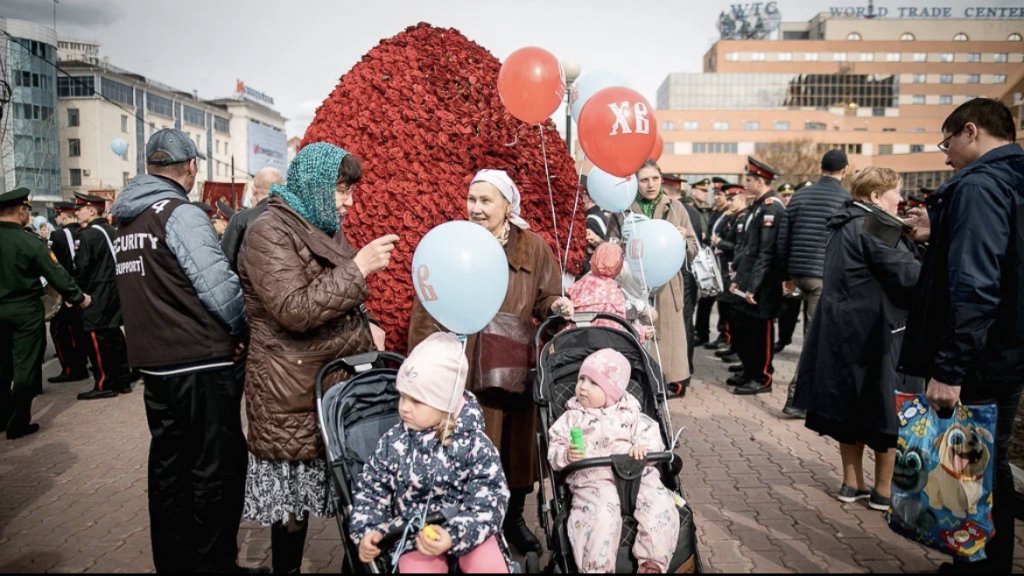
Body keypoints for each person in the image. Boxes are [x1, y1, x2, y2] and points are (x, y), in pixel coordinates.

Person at [239, 142, 396, 573]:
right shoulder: (268, 231)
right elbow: (294, 309)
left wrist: (369, 322)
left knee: (353, 496)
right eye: (343, 191)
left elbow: (337, 295)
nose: (350, 203)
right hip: (290, 390)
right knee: (292, 510)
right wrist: (359, 268)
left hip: (331, 384)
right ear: (315, 185)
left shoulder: (321, 224)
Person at [408, 168, 573, 555]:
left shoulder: (532, 246)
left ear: (507, 204)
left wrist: (557, 306)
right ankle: (472, 525)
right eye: (472, 200)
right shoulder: (452, 242)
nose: (477, 209)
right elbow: (427, 304)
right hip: (461, 365)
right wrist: (427, 360)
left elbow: (545, 296)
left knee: (515, 448)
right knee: (468, 446)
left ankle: (513, 518)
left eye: (486, 201)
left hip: (512, 363)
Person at [111, 128, 252, 573]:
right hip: (200, 361)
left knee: (169, 470)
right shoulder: (179, 212)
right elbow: (219, 287)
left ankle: (176, 562)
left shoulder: (127, 219)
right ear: (190, 168)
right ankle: (214, 563)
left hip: (155, 364)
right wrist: (241, 328)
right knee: (217, 469)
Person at [899, 98, 1024, 573]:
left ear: (970, 131)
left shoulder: (979, 186)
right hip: (1007, 349)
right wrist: (942, 230)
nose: (945, 154)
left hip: (977, 357)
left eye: (946, 141)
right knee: (988, 465)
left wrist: (949, 369)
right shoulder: (1012, 180)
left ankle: (979, 562)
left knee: (972, 467)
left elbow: (975, 285)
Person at [793, 167, 922, 512]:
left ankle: (852, 483)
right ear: (876, 196)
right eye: (896, 192)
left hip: (842, 330)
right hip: (876, 333)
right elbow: (910, 276)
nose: (901, 199)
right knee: (885, 412)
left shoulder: (843, 220)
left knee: (846, 409)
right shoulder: (875, 224)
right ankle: (883, 490)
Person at [352, 333, 510, 573]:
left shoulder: (474, 443)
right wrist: (369, 530)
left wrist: (454, 534)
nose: (404, 407)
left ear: (444, 403)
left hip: (466, 527)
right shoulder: (394, 442)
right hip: (414, 532)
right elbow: (372, 490)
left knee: (488, 564)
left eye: (417, 401)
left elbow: (490, 497)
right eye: (402, 396)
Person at [548, 348, 680, 573]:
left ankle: (652, 564)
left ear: (612, 391)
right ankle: (597, 568)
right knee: (598, 517)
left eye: (593, 383)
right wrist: (567, 454)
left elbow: (651, 434)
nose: (582, 387)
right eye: (582, 379)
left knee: (661, 506)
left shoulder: (631, 412)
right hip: (594, 480)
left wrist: (644, 448)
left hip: (635, 473)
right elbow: (554, 448)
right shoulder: (571, 417)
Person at [0, 188, 91, 439]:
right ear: (21, 211)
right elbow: (56, 273)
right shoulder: (29, 242)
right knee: (26, 367)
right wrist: (79, 298)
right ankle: (19, 422)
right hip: (24, 311)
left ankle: (1, 417)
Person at [776, 149, 851, 415]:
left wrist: (786, 275)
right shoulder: (845, 198)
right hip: (823, 275)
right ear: (844, 169)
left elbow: (783, 237)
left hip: (798, 272)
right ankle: (797, 400)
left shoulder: (800, 195)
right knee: (813, 339)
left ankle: (812, 397)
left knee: (812, 336)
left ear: (821, 167)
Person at [624, 160, 698, 395]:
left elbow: (694, 246)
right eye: (644, 180)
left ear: (661, 180)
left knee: (668, 335)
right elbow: (615, 241)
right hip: (636, 283)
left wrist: (682, 239)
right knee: (639, 330)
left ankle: (671, 381)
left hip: (668, 283)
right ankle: (641, 379)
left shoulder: (676, 208)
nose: (650, 184)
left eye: (654, 179)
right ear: (636, 183)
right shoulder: (627, 208)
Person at [728, 157, 786, 395]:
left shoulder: (772, 207)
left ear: (761, 181)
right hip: (750, 279)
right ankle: (750, 369)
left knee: (761, 332)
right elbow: (748, 249)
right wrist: (738, 279)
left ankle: (762, 377)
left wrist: (753, 286)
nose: (745, 185)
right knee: (747, 328)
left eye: (749, 180)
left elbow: (766, 252)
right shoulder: (758, 206)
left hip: (764, 283)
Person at [73, 193, 133, 400]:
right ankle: (123, 380)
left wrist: (74, 293)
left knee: (97, 339)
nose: (76, 212)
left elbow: (82, 268)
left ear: (91, 210)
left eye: (80, 208)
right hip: (115, 290)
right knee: (114, 335)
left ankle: (103, 383)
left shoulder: (87, 235)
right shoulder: (111, 230)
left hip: (96, 292)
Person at [569, 242, 649, 342]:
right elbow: (615, 333)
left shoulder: (578, 285)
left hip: (570, 342)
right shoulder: (615, 295)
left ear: (593, 260)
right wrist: (641, 332)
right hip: (597, 348)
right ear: (619, 267)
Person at [47, 201, 90, 383]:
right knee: (80, 328)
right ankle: (83, 361)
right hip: (84, 287)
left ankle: (71, 368)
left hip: (66, 289)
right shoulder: (82, 232)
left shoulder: (58, 235)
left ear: (62, 215)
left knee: (60, 329)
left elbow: (55, 265)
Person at [222, 167, 285, 272]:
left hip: (248, 284)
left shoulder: (241, 219)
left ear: (253, 189)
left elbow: (227, 260)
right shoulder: (294, 215)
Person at [695, 187, 729, 348]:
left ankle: (724, 335)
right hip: (712, 264)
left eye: (719, 195)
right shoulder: (716, 213)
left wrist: (718, 242)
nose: (716, 198)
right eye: (715, 194)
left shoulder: (730, 215)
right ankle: (702, 333)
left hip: (723, 265)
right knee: (705, 300)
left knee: (723, 304)